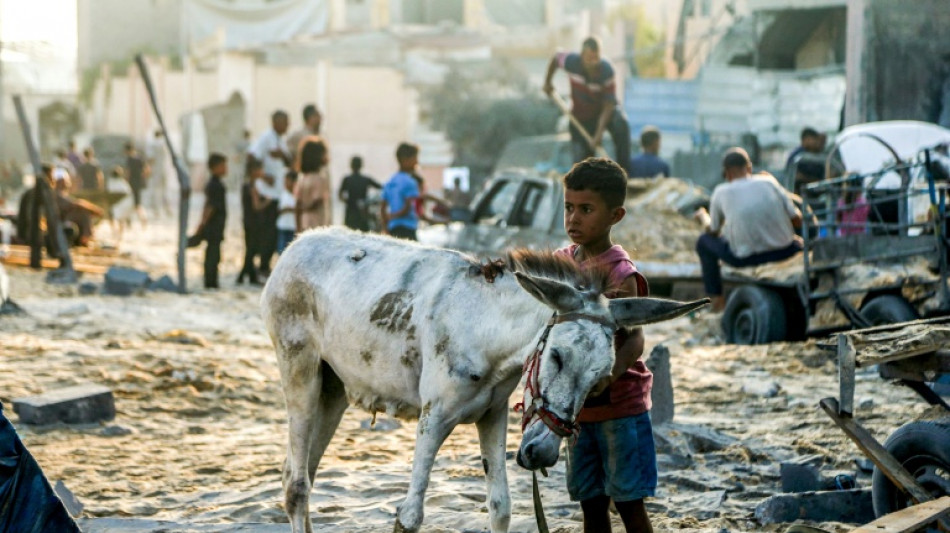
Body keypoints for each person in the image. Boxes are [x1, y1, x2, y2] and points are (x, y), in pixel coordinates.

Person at [553, 157, 655, 533]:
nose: (573, 219)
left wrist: (608, 376)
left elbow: (635, 338)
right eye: (568, 207)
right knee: (591, 504)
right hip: (578, 411)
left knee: (629, 504)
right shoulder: (561, 262)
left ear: (615, 215)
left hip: (619, 408)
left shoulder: (620, 273)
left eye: (586, 210)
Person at [694, 148, 804, 311]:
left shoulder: (721, 191)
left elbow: (713, 231)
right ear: (749, 168)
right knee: (800, 239)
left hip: (746, 258)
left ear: (727, 173)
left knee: (703, 242)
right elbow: (797, 220)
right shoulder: (769, 182)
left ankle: (716, 300)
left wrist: (703, 217)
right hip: (785, 251)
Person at [543, 36, 632, 173]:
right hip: (581, 116)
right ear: (582, 55)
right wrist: (548, 82)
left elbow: (609, 105)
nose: (593, 63)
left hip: (602, 114)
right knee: (581, 162)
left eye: (596, 58)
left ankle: (624, 174)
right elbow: (556, 57)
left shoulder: (606, 70)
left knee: (621, 123)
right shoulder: (572, 62)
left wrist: (599, 133)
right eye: (589, 58)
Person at [248, 110, 291, 276]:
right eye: (285, 122)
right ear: (276, 122)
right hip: (267, 193)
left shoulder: (280, 140)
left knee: (273, 232)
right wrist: (263, 176)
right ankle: (262, 265)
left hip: (277, 193)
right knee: (266, 232)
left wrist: (282, 154)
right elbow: (252, 156)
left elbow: (288, 160)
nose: (287, 126)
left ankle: (265, 264)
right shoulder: (266, 137)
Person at [188, 153, 228, 289]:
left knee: (214, 254)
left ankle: (211, 281)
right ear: (215, 167)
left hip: (216, 226)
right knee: (213, 255)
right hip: (214, 226)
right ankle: (210, 282)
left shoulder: (215, 184)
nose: (225, 168)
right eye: (223, 165)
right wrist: (203, 223)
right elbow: (210, 207)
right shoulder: (215, 185)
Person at [237, 159, 270, 286]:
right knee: (251, 249)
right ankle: (243, 275)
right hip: (253, 222)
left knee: (250, 249)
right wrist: (267, 201)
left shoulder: (249, 185)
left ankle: (249, 275)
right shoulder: (251, 187)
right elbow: (256, 206)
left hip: (248, 221)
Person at [380, 143, 421, 240]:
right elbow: (408, 207)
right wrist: (394, 216)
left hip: (393, 228)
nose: (417, 162)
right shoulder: (410, 182)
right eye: (414, 158)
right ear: (405, 160)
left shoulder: (390, 181)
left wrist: (386, 227)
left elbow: (382, 208)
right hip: (408, 229)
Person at [294, 137, 332, 232]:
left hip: (304, 222)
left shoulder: (302, 177)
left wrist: (297, 228)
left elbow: (298, 204)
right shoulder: (320, 178)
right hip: (317, 224)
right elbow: (317, 202)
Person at [338, 155, 381, 231]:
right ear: (361, 166)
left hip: (350, 211)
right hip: (363, 211)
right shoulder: (366, 179)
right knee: (363, 233)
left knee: (349, 232)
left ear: (351, 165)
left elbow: (340, 195)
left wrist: (347, 201)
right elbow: (381, 187)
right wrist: (372, 201)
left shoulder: (347, 179)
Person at [287, 104, 322, 170]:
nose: (320, 119)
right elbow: (289, 154)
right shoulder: (298, 135)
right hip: (304, 172)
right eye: (317, 116)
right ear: (310, 118)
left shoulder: (321, 135)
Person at [145, 129, 170, 217]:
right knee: (164, 190)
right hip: (164, 169)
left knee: (155, 190)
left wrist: (148, 168)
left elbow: (151, 158)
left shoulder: (153, 144)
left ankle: (156, 210)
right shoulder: (164, 144)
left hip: (156, 170)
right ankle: (167, 208)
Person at [124, 142, 150, 226]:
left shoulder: (130, 159)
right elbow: (147, 169)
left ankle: (142, 218)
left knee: (133, 203)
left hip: (131, 184)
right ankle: (140, 218)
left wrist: (125, 181)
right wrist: (143, 177)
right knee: (136, 203)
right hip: (139, 183)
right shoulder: (140, 158)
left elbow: (128, 172)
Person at [277, 170, 298, 253]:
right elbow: (279, 209)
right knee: (281, 250)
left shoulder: (297, 195)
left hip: (293, 226)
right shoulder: (283, 194)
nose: (285, 183)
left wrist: (291, 209)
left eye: (287, 181)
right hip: (283, 226)